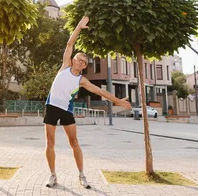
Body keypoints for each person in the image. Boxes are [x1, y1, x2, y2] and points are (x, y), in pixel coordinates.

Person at [43, 16, 132, 189]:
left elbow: (100, 91)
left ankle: (82, 175)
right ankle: (53, 175)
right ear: (74, 60)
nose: (82, 62)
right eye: (79, 59)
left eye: (85, 62)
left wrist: (118, 101)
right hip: (51, 106)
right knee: (50, 142)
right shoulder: (64, 67)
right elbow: (70, 44)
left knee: (74, 142)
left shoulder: (82, 80)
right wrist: (78, 27)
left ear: (84, 66)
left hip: (66, 109)